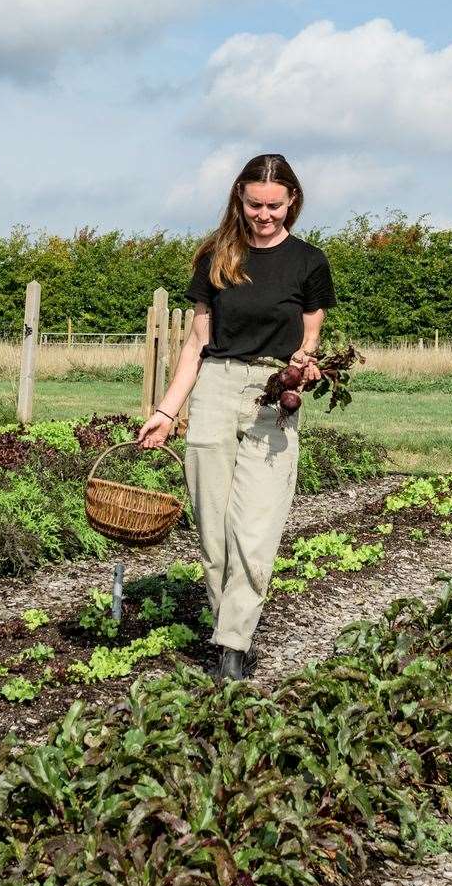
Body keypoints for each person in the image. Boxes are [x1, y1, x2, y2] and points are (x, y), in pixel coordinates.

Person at [137, 154, 335, 682]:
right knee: (212, 529)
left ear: (292, 199)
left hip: (271, 397)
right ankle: (226, 621)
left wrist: (306, 367)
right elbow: (197, 343)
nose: (264, 215)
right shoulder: (216, 257)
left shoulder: (309, 263)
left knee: (255, 527)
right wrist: (166, 410)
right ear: (239, 200)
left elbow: (309, 340)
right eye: (254, 205)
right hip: (215, 390)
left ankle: (232, 643)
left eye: (274, 205)